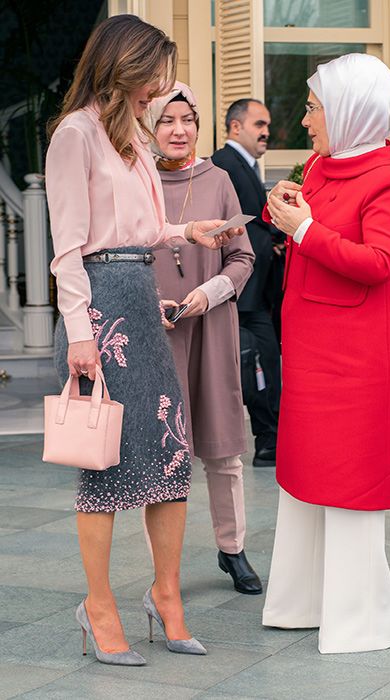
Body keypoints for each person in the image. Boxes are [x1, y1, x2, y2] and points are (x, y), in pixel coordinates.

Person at [45, 14, 243, 665]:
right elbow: (69, 250)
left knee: (169, 453)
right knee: (103, 463)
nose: (159, 89)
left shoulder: (131, 133)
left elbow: (145, 229)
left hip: (140, 299)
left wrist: (191, 233)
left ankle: (166, 595)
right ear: (122, 65)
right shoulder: (74, 135)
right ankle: (98, 607)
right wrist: (80, 334)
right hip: (99, 308)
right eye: (151, 73)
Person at [261, 53, 390, 654]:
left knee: (350, 486)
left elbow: (379, 263)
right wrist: (286, 209)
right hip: (312, 354)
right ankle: (300, 604)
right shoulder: (324, 166)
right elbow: (315, 231)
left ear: (349, 112)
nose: (305, 121)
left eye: (314, 108)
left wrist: (302, 230)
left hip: (358, 366)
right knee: (304, 480)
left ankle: (359, 621)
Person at [147, 82, 262, 595]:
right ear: (149, 126)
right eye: (167, 120)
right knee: (163, 452)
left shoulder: (218, 180)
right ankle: (163, 568)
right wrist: (147, 304)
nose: (179, 130)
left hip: (211, 329)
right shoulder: (136, 181)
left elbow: (243, 258)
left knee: (222, 451)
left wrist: (211, 293)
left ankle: (232, 549)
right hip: (156, 334)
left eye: (187, 120)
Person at [212, 99, 282, 467]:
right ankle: (266, 442)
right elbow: (227, 225)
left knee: (262, 363)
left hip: (256, 291)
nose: (266, 131)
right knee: (256, 365)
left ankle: (269, 441)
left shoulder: (246, 166)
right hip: (242, 291)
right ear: (235, 127)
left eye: (267, 124)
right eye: (259, 124)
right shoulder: (223, 164)